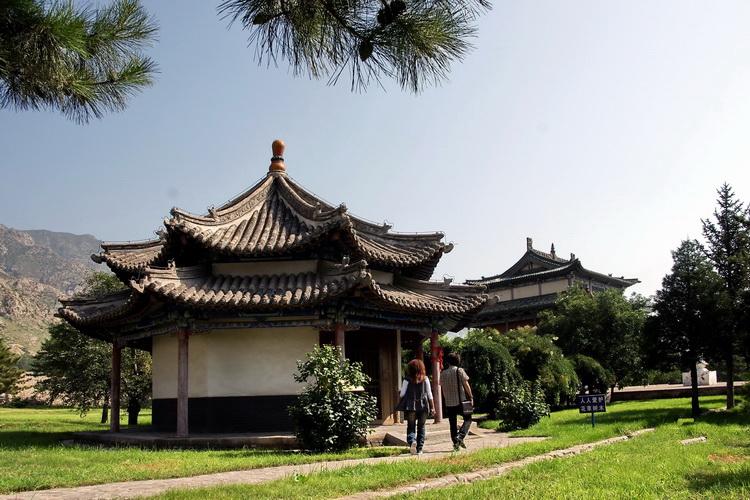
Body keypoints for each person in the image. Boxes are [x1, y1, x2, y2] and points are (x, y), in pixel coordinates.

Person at [399, 359, 435, 455]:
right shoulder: (425, 379)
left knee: (411, 426)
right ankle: (419, 449)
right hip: (423, 406)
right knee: (421, 427)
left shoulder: (406, 380)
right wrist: (432, 407)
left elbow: (402, 394)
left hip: (411, 406)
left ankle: (412, 441)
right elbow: (429, 394)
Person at [440, 352, 474, 451]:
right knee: (468, 419)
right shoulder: (459, 371)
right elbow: (466, 384)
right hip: (461, 401)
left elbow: (442, 387)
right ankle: (460, 436)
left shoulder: (443, 373)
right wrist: (471, 397)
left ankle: (456, 443)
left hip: (449, 402)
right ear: (457, 361)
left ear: (448, 362)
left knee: (452, 424)